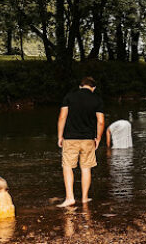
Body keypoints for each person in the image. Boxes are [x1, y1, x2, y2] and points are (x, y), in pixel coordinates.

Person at [56, 77, 105, 207]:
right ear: (93, 88)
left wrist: (60, 136)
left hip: (70, 137)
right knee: (86, 168)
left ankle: (70, 198)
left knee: (67, 167)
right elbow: (100, 121)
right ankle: (84, 198)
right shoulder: (97, 99)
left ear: (80, 86)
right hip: (88, 138)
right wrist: (98, 138)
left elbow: (62, 117)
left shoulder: (69, 97)